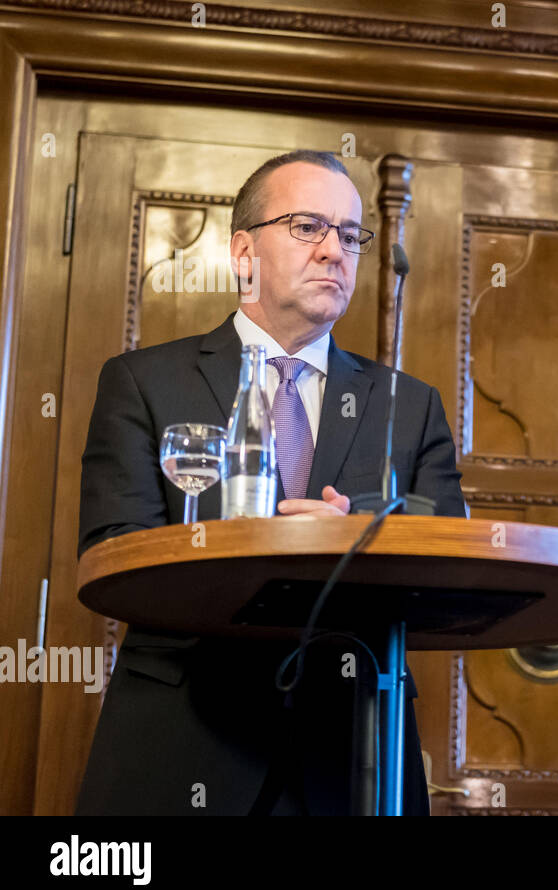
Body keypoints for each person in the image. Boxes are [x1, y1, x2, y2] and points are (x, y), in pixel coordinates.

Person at [76, 150, 464, 815]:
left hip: (354, 754)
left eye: (349, 235)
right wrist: (268, 549)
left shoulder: (411, 403)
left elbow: (452, 573)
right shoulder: (144, 383)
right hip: (185, 741)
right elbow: (116, 557)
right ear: (244, 252)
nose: (334, 251)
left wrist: (354, 543)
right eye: (308, 227)